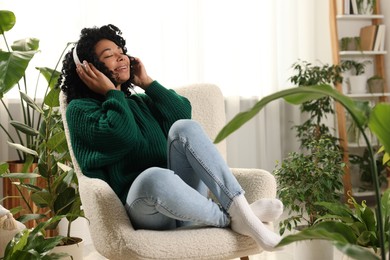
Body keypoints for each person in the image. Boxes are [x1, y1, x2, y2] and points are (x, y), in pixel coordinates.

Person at [58, 24, 283, 251]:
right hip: (144, 207)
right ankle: (238, 218)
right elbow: (122, 136)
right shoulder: (80, 110)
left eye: (120, 51)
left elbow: (183, 115)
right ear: (88, 69)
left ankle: (239, 212)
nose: (121, 58)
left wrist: (147, 83)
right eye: (109, 56)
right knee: (155, 176)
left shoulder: (139, 102)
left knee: (185, 127)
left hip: (186, 203)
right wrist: (113, 93)